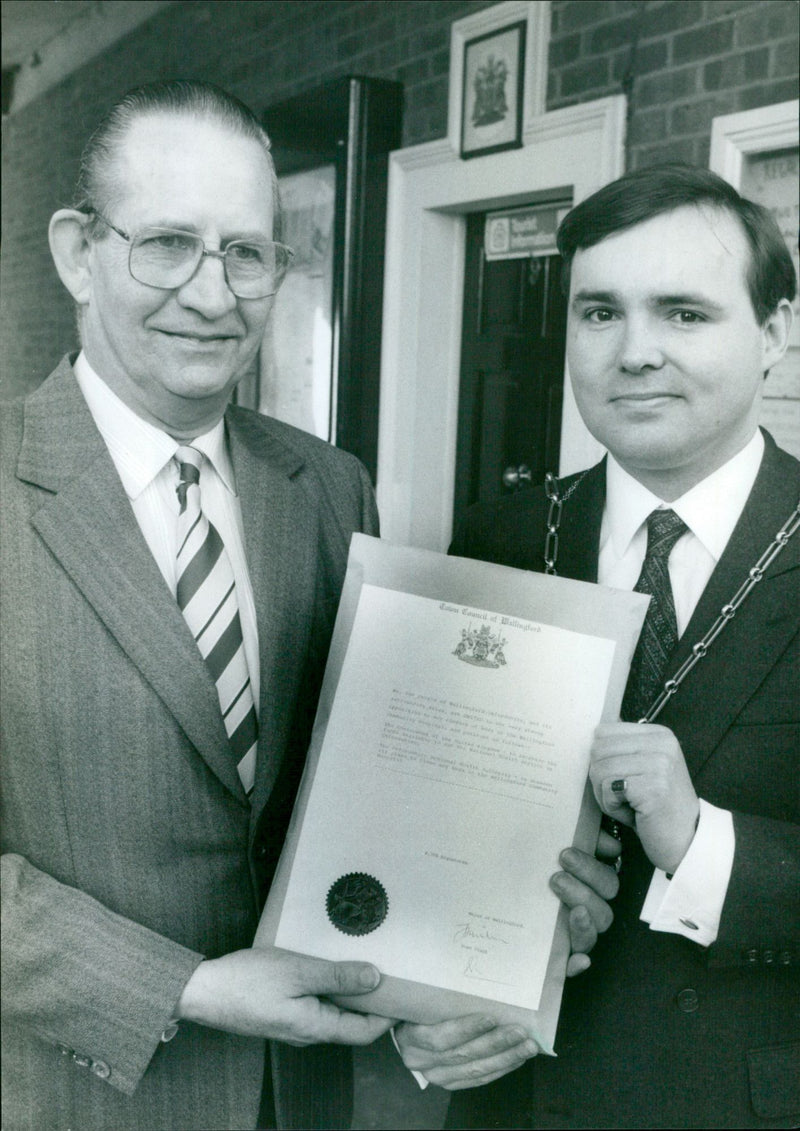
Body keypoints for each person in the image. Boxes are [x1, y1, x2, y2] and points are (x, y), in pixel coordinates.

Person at [0, 80, 612, 1130]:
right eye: (167, 244)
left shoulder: (327, 489)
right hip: (75, 1096)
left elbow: (385, 782)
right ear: (75, 252)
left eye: (247, 253)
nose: (212, 292)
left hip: (310, 1097)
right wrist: (186, 989)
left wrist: (514, 922)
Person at [418, 164, 799, 1128]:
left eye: (683, 313)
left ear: (775, 334)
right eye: (599, 313)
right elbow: (427, 822)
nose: (634, 353)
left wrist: (704, 848)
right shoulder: (500, 536)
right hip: (517, 1102)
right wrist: (414, 1009)